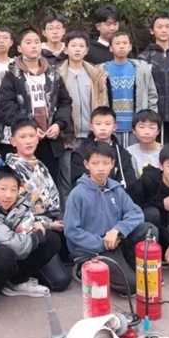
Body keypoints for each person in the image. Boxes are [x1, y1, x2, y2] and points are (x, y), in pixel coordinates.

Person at [64, 142, 157, 297]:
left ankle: (135, 269)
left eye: (105, 163)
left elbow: (136, 213)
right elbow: (72, 231)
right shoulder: (77, 194)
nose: (100, 168)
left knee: (148, 230)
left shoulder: (116, 189)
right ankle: (82, 269)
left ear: (113, 164)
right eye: (95, 163)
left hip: (116, 242)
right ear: (86, 164)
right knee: (131, 286)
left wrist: (117, 230)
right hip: (93, 250)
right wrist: (102, 243)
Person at [0, 166, 61, 298]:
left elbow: (29, 222)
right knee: (4, 255)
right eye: (3, 189)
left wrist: (42, 225)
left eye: (13, 190)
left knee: (51, 239)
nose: (8, 195)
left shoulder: (20, 202)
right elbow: (16, 246)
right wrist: (36, 236)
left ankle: (15, 282)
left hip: (13, 250)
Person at [0, 28, 73, 185]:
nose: (33, 46)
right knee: (23, 185)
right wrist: (30, 128)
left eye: (37, 42)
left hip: (50, 140)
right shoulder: (12, 74)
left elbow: (65, 102)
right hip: (24, 140)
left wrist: (59, 124)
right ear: (19, 48)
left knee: (50, 183)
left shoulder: (53, 73)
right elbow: (6, 107)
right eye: (28, 42)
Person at [4, 119, 72, 289]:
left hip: (51, 219)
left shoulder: (39, 164)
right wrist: (49, 224)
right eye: (23, 137)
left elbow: (54, 198)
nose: (28, 141)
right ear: (13, 141)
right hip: (32, 227)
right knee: (60, 281)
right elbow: (17, 212)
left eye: (32, 136)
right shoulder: (10, 170)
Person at [57, 31, 109, 206]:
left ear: (87, 50)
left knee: (90, 176)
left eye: (81, 46)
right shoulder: (57, 74)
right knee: (66, 177)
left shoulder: (96, 75)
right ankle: (67, 214)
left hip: (90, 134)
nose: (77, 49)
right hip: (67, 136)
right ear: (66, 49)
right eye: (73, 45)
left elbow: (103, 104)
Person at [103, 31, 158, 148]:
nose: (121, 46)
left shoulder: (141, 69)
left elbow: (152, 96)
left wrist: (151, 120)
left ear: (130, 47)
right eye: (117, 43)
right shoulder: (101, 71)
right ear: (111, 48)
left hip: (136, 125)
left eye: (125, 43)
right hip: (110, 126)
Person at [138, 12, 169, 145]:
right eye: (159, 27)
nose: (164, 30)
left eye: (167, 26)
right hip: (153, 112)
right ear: (152, 30)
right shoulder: (145, 56)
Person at [70, 106, 137, 190]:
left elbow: (129, 182)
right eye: (98, 124)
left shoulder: (122, 154)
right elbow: (77, 184)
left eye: (107, 124)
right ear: (91, 127)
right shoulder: (81, 153)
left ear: (114, 127)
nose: (103, 128)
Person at [127, 109, 163, 177]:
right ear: (134, 130)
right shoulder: (129, 153)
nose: (147, 132)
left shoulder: (166, 152)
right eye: (142, 127)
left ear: (158, 131)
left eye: (152, 127)